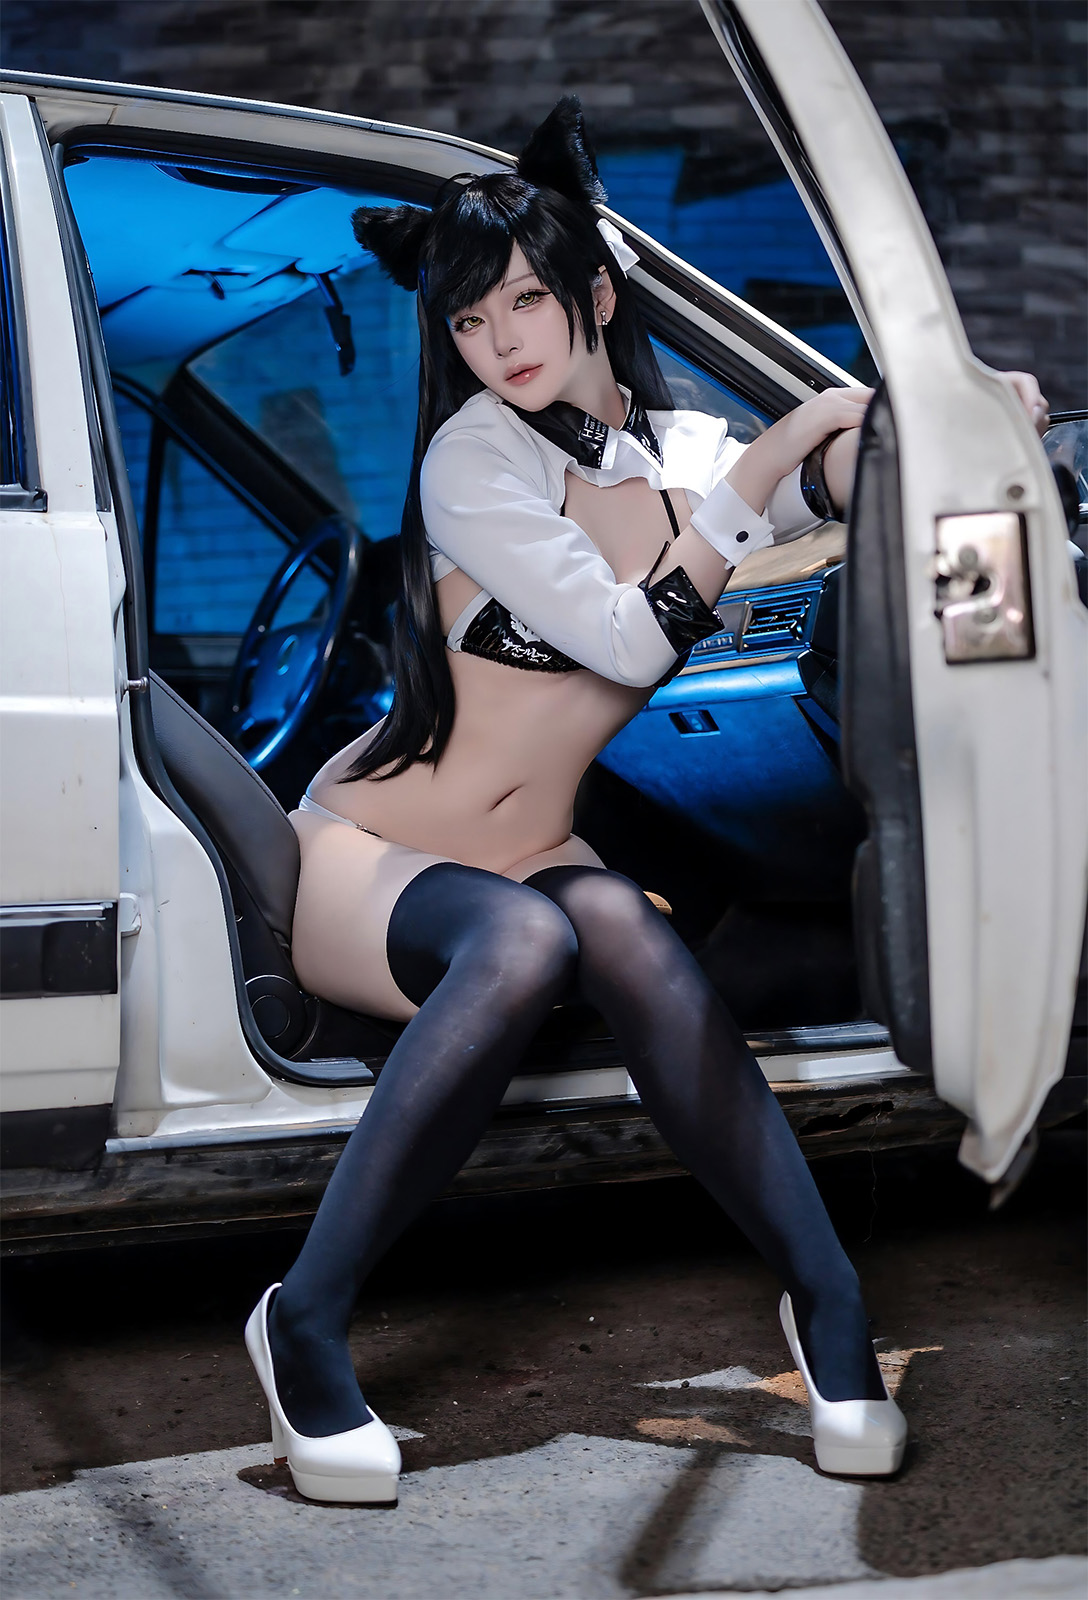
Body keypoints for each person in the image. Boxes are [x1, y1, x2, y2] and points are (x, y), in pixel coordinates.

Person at [244, 99, 1049, 1505]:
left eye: (525, 301)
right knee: (530, 940)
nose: (501, 341)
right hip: (372, 852)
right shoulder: (475, 460)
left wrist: (951, 429)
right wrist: (776, 452)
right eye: (470, 319)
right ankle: (301, 1319)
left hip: (532, 850)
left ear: (597, 297)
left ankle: (828, 1300)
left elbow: (832, 486)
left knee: (624, 931)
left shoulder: (671, 452)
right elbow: (631, 637)